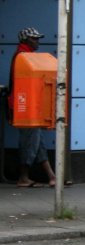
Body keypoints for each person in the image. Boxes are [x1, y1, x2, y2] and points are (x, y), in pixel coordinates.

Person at [9, 27, 58, 187]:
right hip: (25, 107)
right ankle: (23, 177)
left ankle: (51, 176)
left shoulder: (26, 57)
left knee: (37, 141)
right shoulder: (23, 57)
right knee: (30, 141)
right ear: (25, 40)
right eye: (34, 38)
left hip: (28, 105)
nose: (37, 41)